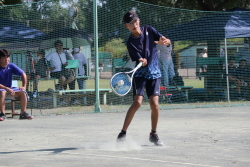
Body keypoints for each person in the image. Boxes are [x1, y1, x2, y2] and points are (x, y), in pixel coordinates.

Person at [116, 11, 171, 146]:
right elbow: (138, 57)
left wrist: (166, 42)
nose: (134, 24)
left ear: (139, 21)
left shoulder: (149, 29)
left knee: (155, 104)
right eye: (130, 23)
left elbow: (165, 40)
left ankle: (153, 133)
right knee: (137, 103)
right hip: (140, 74)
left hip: (154, 73)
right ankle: (122, 133)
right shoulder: (130, 42)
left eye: (135, 21)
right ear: (126, 26)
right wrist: (141, 59)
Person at [0, 49, 34, 121]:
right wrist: (6, 88)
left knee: (22, 92)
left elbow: (23, 74)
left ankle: (23, 113)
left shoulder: (11, 65)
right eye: (4, 58)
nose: (6, 60)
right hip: (2, 91)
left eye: (7, 57)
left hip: (9, 90)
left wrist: (24, 86)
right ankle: (2, 114)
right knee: (2, 92)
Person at [45, 40, 75, 105]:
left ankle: (59, 85)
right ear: (55, 47)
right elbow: (45, 60)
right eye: (58, 46)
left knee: (72, 77)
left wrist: (66, 64)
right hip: (55, 71)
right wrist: (49, 68)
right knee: (63, 78)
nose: (60, 47)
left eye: (61, 45)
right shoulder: (52, 54)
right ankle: (61, 98)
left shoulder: (64, 54)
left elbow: (63, 64)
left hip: (63, 71)